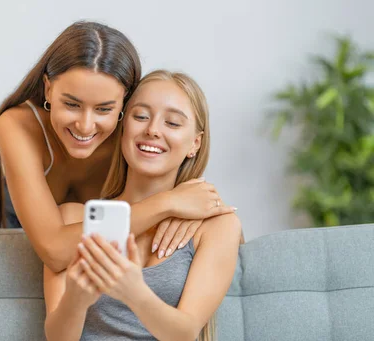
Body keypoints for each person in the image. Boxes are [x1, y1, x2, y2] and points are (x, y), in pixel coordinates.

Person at [0, 21, 236, 272]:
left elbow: (212, 215)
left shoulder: (136, 132)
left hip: (69, 216)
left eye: (104, 109)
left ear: (124, 103)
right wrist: (167, 204)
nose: (85, 126)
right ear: (48, 89)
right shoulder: (16, 126)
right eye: (72, 104)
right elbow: (55, 250)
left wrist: (199, 213)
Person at [44, 70, 242, 340]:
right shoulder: (71, 220)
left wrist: (134, 292)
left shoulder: (217, 226)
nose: (152, 130)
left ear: (195, 143)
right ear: (123, 127)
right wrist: (77, 299)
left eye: (172, 123)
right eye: (141, 116)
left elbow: (185, 333)